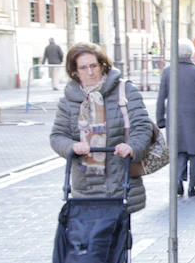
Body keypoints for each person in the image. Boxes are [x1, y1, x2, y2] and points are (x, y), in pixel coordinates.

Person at [49, 42, 154, 212]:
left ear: (103, 66)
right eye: (83, 68)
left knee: (117, 236)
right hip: (85, 187)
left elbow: (142, 127)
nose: (89, 72)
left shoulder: (125, 91)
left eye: (93, 66)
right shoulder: (68, 101)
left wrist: (132, 147)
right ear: (74, 71)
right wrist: (72, 146)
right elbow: (57, 136)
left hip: (120, 181)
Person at [156, 39, 195, 198]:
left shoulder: (168, 72)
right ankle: (191, 186)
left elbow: (161, 97)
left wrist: (160, 119)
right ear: (191, 54)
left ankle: (178, 184)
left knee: (179, 151)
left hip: (174, 117)